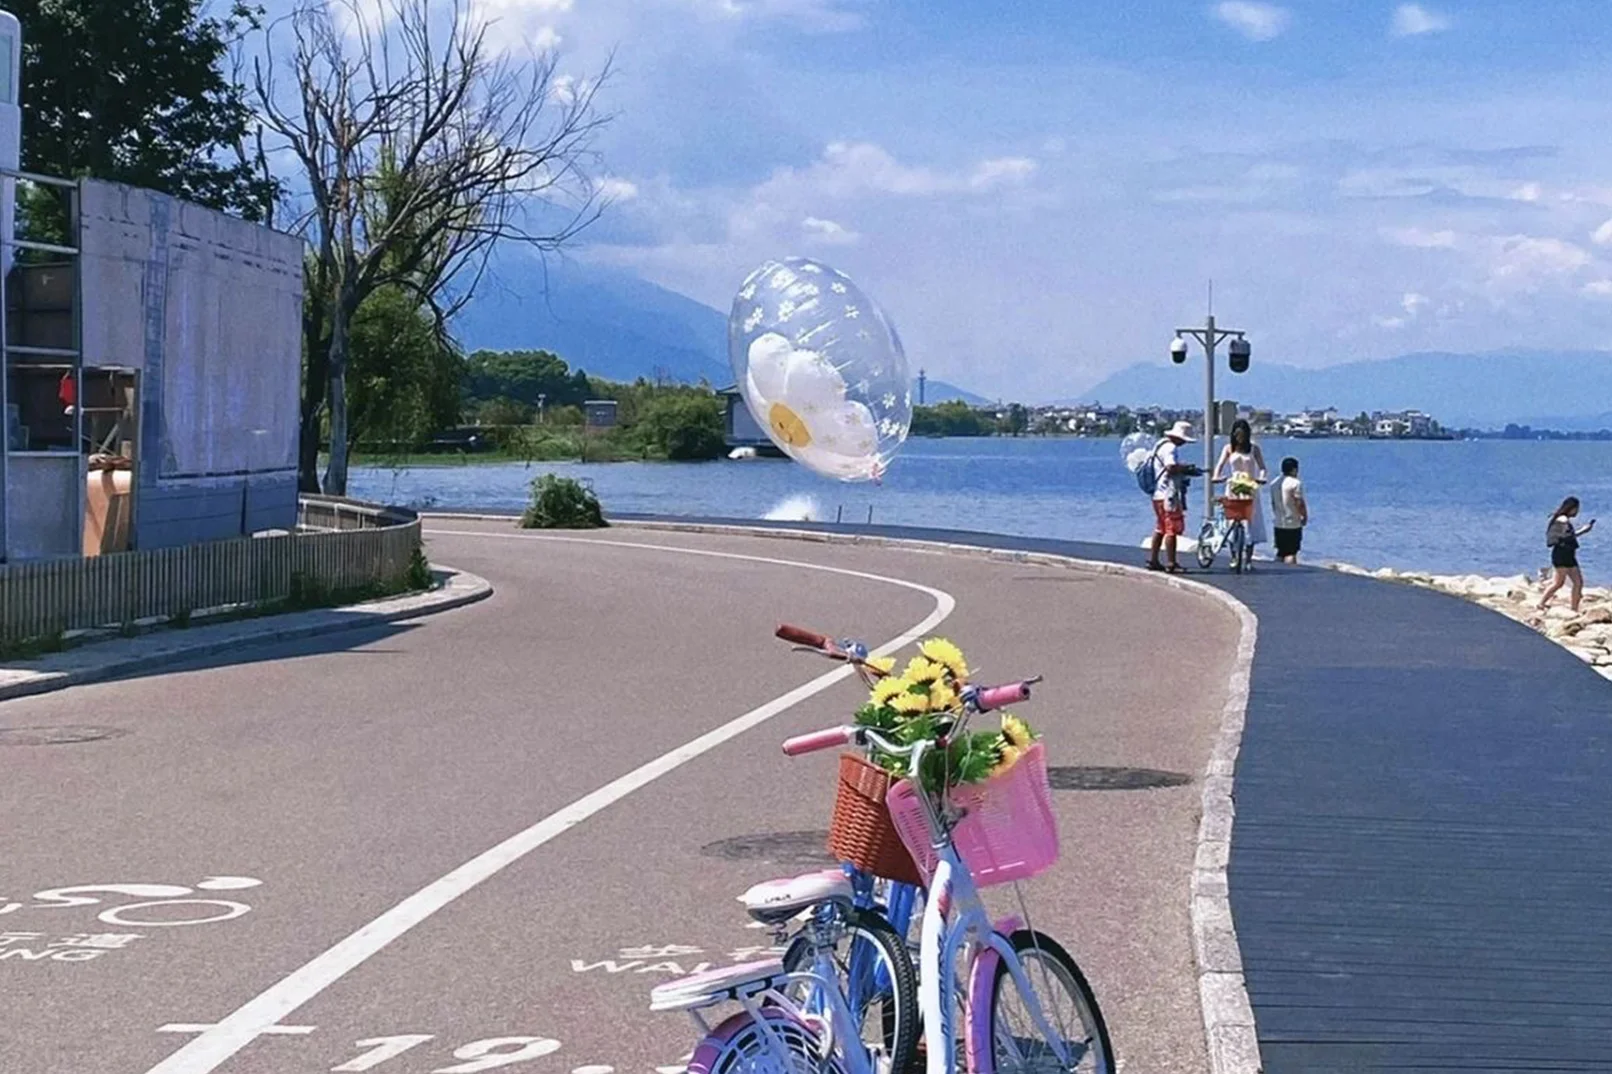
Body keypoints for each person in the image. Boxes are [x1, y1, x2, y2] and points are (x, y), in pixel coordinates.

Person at [1147, 420, 1201, 573]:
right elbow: (1170, 467)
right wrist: (1186, 468)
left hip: (1157, 494)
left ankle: (1154, 559)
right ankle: (1171, 562)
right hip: (1168, 495)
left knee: (1160, 527)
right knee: (1171, 528)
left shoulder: (1160, 445)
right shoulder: (1171, 448)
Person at [1213, 418, 1269, 563]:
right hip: (1233, 486)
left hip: (1250, 486)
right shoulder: (1228, 448)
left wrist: (1261, 478)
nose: (1240, 439)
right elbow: (1219, 465)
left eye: (1242, 436)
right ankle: (1234, 556)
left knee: (1251, 522)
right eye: (1237, 436)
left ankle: (1249, 558)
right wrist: (1217, 476)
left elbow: (1262, 467)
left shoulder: (1254, 449)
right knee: (1232, 520)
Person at [1539, 496, 1595, 613]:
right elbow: (1567, 536)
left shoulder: (1559, 519)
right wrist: (1583, 530)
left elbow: (1567, 537)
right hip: (1563, 555)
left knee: (1574, 583)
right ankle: (1542, 603)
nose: (1577, 512)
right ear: (1571, 508)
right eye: (1576, 509)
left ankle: (1573, 609)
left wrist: (1583, 531)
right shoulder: (1563, 520)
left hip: (1566, 555)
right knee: (1562, 583)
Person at [1269, 456, 1307, 564]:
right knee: (1291, 552)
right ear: (1294, 469)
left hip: (1278, 522)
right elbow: (1299, 502)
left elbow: (1273, 503)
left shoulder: (1274, 483)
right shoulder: (1295, 483)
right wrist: (1304, 516)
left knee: (1280, 552)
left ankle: (1276, 571)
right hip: (1293, 522)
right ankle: (1290, 577)